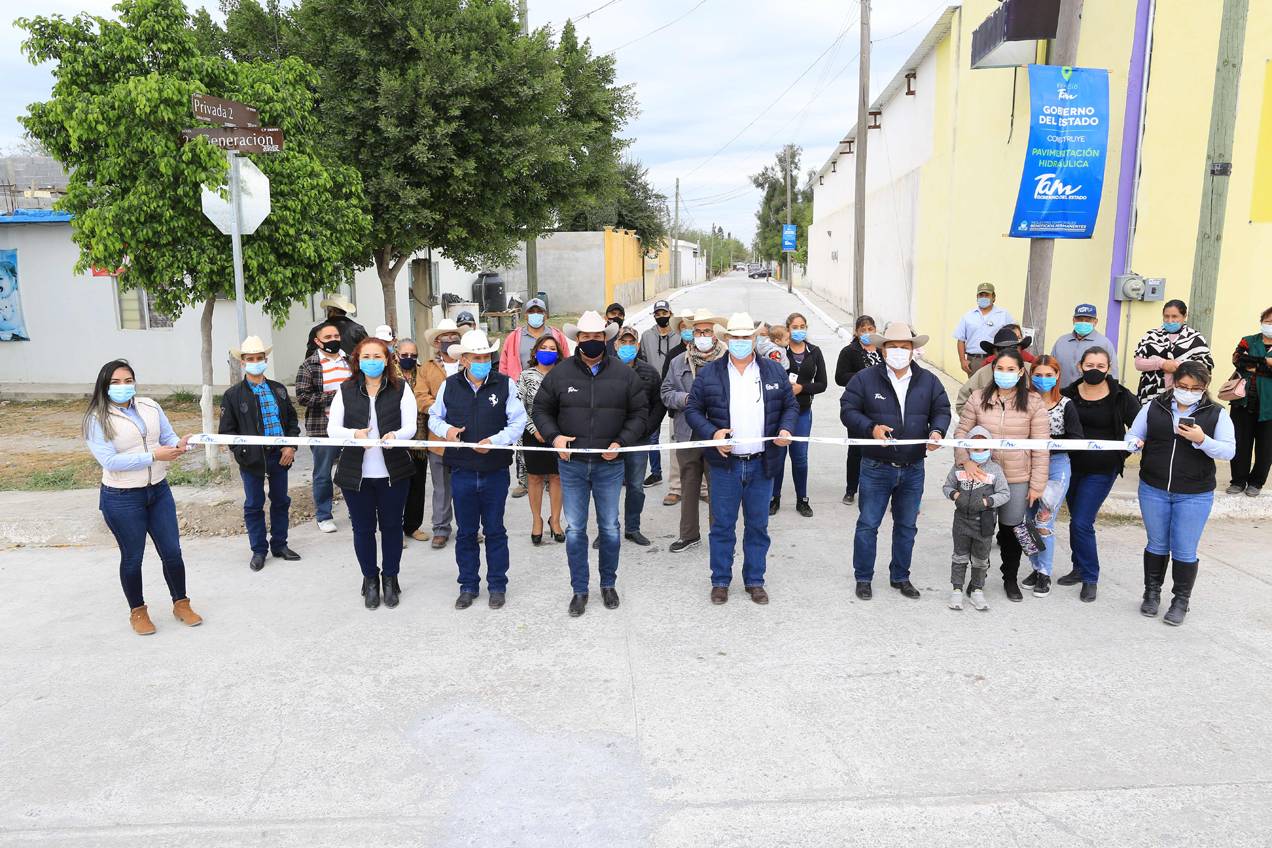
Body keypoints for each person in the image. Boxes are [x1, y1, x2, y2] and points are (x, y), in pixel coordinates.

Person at [531, 310, 648, 617]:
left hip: (610, 465)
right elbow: (541, 410)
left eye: (597, 337)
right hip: (572, 465)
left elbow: (640, 413)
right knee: (575, 530)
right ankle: (579, 590)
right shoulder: (560, 374)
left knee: (610, 528)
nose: (592, 341)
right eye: (586, 337)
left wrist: (621, 441)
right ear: (578, 339)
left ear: (605, 339)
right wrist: (554, 437)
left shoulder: (624, 375)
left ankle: (608, 584)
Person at [684, 313, 797, 605]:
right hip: (725, 465)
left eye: (746, 337)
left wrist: (786, 428)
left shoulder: (773, 371)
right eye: (735, 337)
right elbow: (693, 409)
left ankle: (755, 580)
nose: (741, 342)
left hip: (762, 463)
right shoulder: (710, 373)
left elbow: (790, 406)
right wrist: (713, 433)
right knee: (722, 526)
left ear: (754, 339)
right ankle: (720, 581)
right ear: (727, 339)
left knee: (758, 526)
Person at [84, 359, 201, 635]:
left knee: (172, 552)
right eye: (115, 382)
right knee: (132, 557)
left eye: (128, 381)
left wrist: (180, 444)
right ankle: (138, 611)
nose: (123, 386)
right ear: (104, 385)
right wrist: (153, 456)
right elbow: (110, 461)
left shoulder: (150, 406)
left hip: (158, 490)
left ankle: (181, 603)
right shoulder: (96, 418)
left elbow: (168, 437)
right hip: (121, 497)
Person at [840, 322, 951, 600]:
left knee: (907, 526)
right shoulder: (864, 379)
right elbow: (848, 409)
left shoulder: (928, 381)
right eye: (893, 346)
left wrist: (937, 431)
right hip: (876, 467)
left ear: (913, 350)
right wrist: (870, 428)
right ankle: (863, 577)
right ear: (883, 350)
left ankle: (900, 576)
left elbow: (942, 409)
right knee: (868, 524)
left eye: (905, 346)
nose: (899, 351)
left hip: (913, 468)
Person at [1126, 361, 1235, 626]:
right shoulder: (1154, 406)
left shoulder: (1216, 413)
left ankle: (1180, 601)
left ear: (1205, 387)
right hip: (1154, 488)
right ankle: (1151, 594)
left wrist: (1202, 439)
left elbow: (1228, 451)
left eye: (1195, 388)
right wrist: (1134, 443)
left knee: (1185, 549)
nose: (1188, 392)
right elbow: (1133, 435)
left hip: (1194, 493)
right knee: (1156, 544)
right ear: (1174, 383)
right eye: (1183, 386)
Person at [429, 330, 528, 610]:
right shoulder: (449, 386)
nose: (483, 362)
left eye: (486, 357)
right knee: (466, 532)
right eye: (477, 357)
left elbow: (518, 422)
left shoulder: (504, 384)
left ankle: (497, 585)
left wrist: (496, 441)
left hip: (494, 470)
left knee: (495, 530)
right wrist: (447, 431)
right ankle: (468, 586)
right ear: (464, 360)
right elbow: (434, 417)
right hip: (461, 470)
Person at [329, 337, 418, 610]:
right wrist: (354, 434)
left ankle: (390, 578)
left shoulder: (400, 388)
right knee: (363, 529)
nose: (372, 361)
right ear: (357, 360)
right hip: (356, 475)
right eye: (366, 356)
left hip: (393, 472)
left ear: (387, 359)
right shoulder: (345, 390)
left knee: (392, 527)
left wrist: (396, 436)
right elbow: (333, 429)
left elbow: (411, 426)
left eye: (377, 356)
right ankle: (370, 579)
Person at [953, 347, 1048, 602]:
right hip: (982, 475)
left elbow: (1041, 447)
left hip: (1017, 478)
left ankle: (1010, 578)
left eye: (1011, 369)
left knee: (1011, 529)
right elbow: (961, 433)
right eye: (1000, 369)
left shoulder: (1034, 402)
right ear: (993, 370)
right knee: (981, 528)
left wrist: (1037, 484)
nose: (1005, 373)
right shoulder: (977, 398)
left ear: (1020, 372)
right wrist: (965, 461)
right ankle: (977, 580)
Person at [1057, 346, 1141, 599]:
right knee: (1076, 518)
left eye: (1100, 366)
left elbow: (1139, 426)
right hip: (1071, 466)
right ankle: (1078, 567)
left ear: (1108, 368)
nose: (1095, 370)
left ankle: (1090, 576)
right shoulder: (1067, 394)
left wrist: (1121, 454)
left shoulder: (1121, 396)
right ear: (1080, 366)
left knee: (1082, 521)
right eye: (1090, 365)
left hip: (1102, 469)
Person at [219, 336, 302, 572]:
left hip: (280, 456)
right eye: (250, 359)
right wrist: (243, 453)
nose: (255, 362)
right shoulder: (233, 395)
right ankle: (258, 550)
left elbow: (292, 421)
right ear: (243, 362)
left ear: (265, 360)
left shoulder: (278, 389)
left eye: (259, 358)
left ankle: (280, 544)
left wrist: (290, 446)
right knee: (254, 504)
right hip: (252, 460)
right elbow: (227, 431)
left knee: (281, 501)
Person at [661, 308, 726, 553]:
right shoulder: (678, 361)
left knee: (718, 489)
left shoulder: (727, 360)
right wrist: (686, 399)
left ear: (715, 334)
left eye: (707, 331)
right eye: (698, 331)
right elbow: (665, 393)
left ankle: (720, 538)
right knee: (688, 486)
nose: (702, 336)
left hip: (716, 433)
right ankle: (689, 535)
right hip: (687, 432)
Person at [1019, 355, 1082, 597]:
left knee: (1044, 521)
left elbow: (1076, 439)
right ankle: (1035, 567)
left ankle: (1045, 573)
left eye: (1048, 375)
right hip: (1025, 465)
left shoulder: (1066, 405)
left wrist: (1046, 442)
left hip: (1056, 467)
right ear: (1030, 376)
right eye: (1038, 375)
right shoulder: (1022, 402)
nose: (1043, 379)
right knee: (1024, 522)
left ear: (1057, 376)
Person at [498, 297, 567, 499]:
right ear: (525, 314)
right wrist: (506, 388)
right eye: (531, 311)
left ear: (545, 314)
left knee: (553, 433)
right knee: (524, 438)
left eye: (539, 311)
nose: (535, 315)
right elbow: (504, 363)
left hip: (552, 392)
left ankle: (552, 480)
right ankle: (525, 480)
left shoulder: (556, 335)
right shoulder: (514, 337)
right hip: (523, 391)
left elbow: (566, 358)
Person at [942, 426, 1010, 612]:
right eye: (975, 449)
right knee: (960, 556)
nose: (979, 452)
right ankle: (957, 590)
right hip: (961, 521)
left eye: (983, 449)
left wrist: (987, 502)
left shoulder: (995, 470)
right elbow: (947, 487)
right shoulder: (958, 468)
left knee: (981, 559)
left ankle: (977, 590)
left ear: (990, 448)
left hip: (984, 522)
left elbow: (1005, 494)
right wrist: (956, 495)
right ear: (968, 449)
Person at [613, 324, 667, 546]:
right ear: (615, 345)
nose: (627, 346)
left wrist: (647, 428)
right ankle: (608, 529)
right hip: (610, 440)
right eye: (622, 342)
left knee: (635, 486)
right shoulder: (605, 369)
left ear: (637, 345)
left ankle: (632, 528)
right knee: (608, 488)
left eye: (631, 342)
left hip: (638, 440)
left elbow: (659, 404)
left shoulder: (649, 372)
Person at [295, 320, 350, 534]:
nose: (333, 340)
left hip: (351, 428)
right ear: (318, 341)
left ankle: (355, 510)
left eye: (336, 336)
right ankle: (324, 515)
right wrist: (335, 397)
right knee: (323, 474)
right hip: (322, 428)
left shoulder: (350, 361)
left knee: (351, 471)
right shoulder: (310, 365)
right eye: (328, 337)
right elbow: (302, 396)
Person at [770, 312, 827, 518]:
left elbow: (822, 384)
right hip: (779, 412)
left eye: (802, 326)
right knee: (778, 457)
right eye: (795, 327)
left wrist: (802, 388)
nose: (799, 330)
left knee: (800, 458)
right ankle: (774, 498)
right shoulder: (778, 350)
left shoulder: (814, 352)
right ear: (787, 329)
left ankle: (802, 499)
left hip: (803, 411)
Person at [415, 320, 464, 549]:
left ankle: (468, 527)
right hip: (438, 438)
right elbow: (420, 396)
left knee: (466, 486)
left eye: (455, 337)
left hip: (466, 436)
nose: (451, 341)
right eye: (446, 338)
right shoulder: (427, 368)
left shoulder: (469, 363)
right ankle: (441, 529)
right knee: (442, 488)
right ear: (437, 342)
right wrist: (441, 409)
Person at [517, 335, 566, 545]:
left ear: (558, 353)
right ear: (535, 352)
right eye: (543, 347)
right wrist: (534, 428)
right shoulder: (525, 375)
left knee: (557, 477)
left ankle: (555, 520)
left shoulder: (564, 375)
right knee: (535, 477)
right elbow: (519, 406)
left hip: (558, 434)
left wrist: (554, 432)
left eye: (552, 348)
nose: (547, 351)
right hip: (533, 433)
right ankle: (536, 520)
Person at [835, 315, 881, 505]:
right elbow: (840, 377)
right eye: (863, 330)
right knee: (856, 450)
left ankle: (877, 488)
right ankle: (851, 489)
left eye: (870, 329)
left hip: (881, 407)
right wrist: (864, 376)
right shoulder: (849, 351)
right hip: (858, 406)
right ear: (856, 332)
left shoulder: (882, 350)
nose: (867, 333)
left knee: (881, 450)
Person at [1133, 299, 1213, 404]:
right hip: (1151, 392)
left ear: (1184, 316)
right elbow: (1138, 363)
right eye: (1166, 316)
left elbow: (1205, 367)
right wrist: (1162, 364)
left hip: (1183, 395)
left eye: (1175, 316)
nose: (1170, 321)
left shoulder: (1195, 338)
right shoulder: (1151, 336)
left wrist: (1178, 366)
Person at [1228, 306, 1272, 496]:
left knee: (1266, 447)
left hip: (1269, 406)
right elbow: (1238, 360)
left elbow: (1248, 363)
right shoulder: (1248, 340)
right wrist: (1267, 363)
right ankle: (1238, 481)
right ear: (1261, 322)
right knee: (1240, 442)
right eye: (1268, 321)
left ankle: (1256, 483)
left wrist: (1254, 364)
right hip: (1243, 401)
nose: (1270, 325)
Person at [954, 326, 1034, 417]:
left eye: (1012, 348)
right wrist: (980, 420)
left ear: (1020, 349)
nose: (1007, 353)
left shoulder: (1031, 371)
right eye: (1001, 349)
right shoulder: (983, 374)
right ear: (994, 352)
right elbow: (962, 403)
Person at [639, 299, 677, 486]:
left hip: (674, 390)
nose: (661, 316)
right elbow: (643, 360)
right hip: (653, 391)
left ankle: (681, 477)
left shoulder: (679, 335)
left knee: (678, 433)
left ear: (670, 314)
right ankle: (656, 472)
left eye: (664, 313)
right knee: (652, 433)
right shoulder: (647, 336)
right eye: (658, 314)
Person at [396, 337, 431, 542]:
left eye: (413, 355)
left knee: (417, 485)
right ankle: (394, 530)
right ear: (397, 354)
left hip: (420, 438)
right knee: (396, 487)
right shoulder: (389, 374)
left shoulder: (422, 373)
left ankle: (412, 526)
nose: (409, 358)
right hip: (396, 436)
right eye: (405, 355)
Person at [660, 309, 696, 507]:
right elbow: (666, 387)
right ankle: (675, 489)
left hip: (705, 417)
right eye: (684, 327)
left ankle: (703, 489)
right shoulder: (674, 355)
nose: (688, 331)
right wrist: (683, 400)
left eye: (691, 327)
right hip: (680, 413)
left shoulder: (711, 354)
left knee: (703, 453)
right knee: (677, 453)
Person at [1052, 303, 1119, 388]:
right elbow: (1051, 368)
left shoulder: (1104, 344)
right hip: (1062, 393)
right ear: (1073, 320)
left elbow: (1113, 374)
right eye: (1080, 319)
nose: (1083, 323)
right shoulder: (1061, 342)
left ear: (1095, 322)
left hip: (1091, 395)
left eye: (1088, 320)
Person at [953, 283, 1013, 376]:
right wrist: (962, 360)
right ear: (977, 297)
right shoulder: (968, 316)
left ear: (993, 297)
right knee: (975, 385)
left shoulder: (1003, 315)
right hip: (974, 361)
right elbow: (961, 340)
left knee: (996, 385)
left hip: (996, 359)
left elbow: (1013, 335)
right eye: (981, 295)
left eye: (987, 295)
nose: (983, 297)